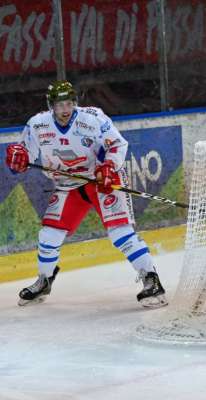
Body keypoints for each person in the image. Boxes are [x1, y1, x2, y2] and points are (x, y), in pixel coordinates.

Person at [4, 80, 167, 308]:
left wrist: (109, 166)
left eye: (69, 104)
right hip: (67, 185)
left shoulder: (92, 118)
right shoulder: (37, 125)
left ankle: (151, 279)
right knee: (48, 235)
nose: (65, 110)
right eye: (60, 105)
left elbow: (117, 145)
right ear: (51, 106)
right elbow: (24, 156)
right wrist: (17, 160)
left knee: (120, 233)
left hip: (102, 180)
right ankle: (44, 280)